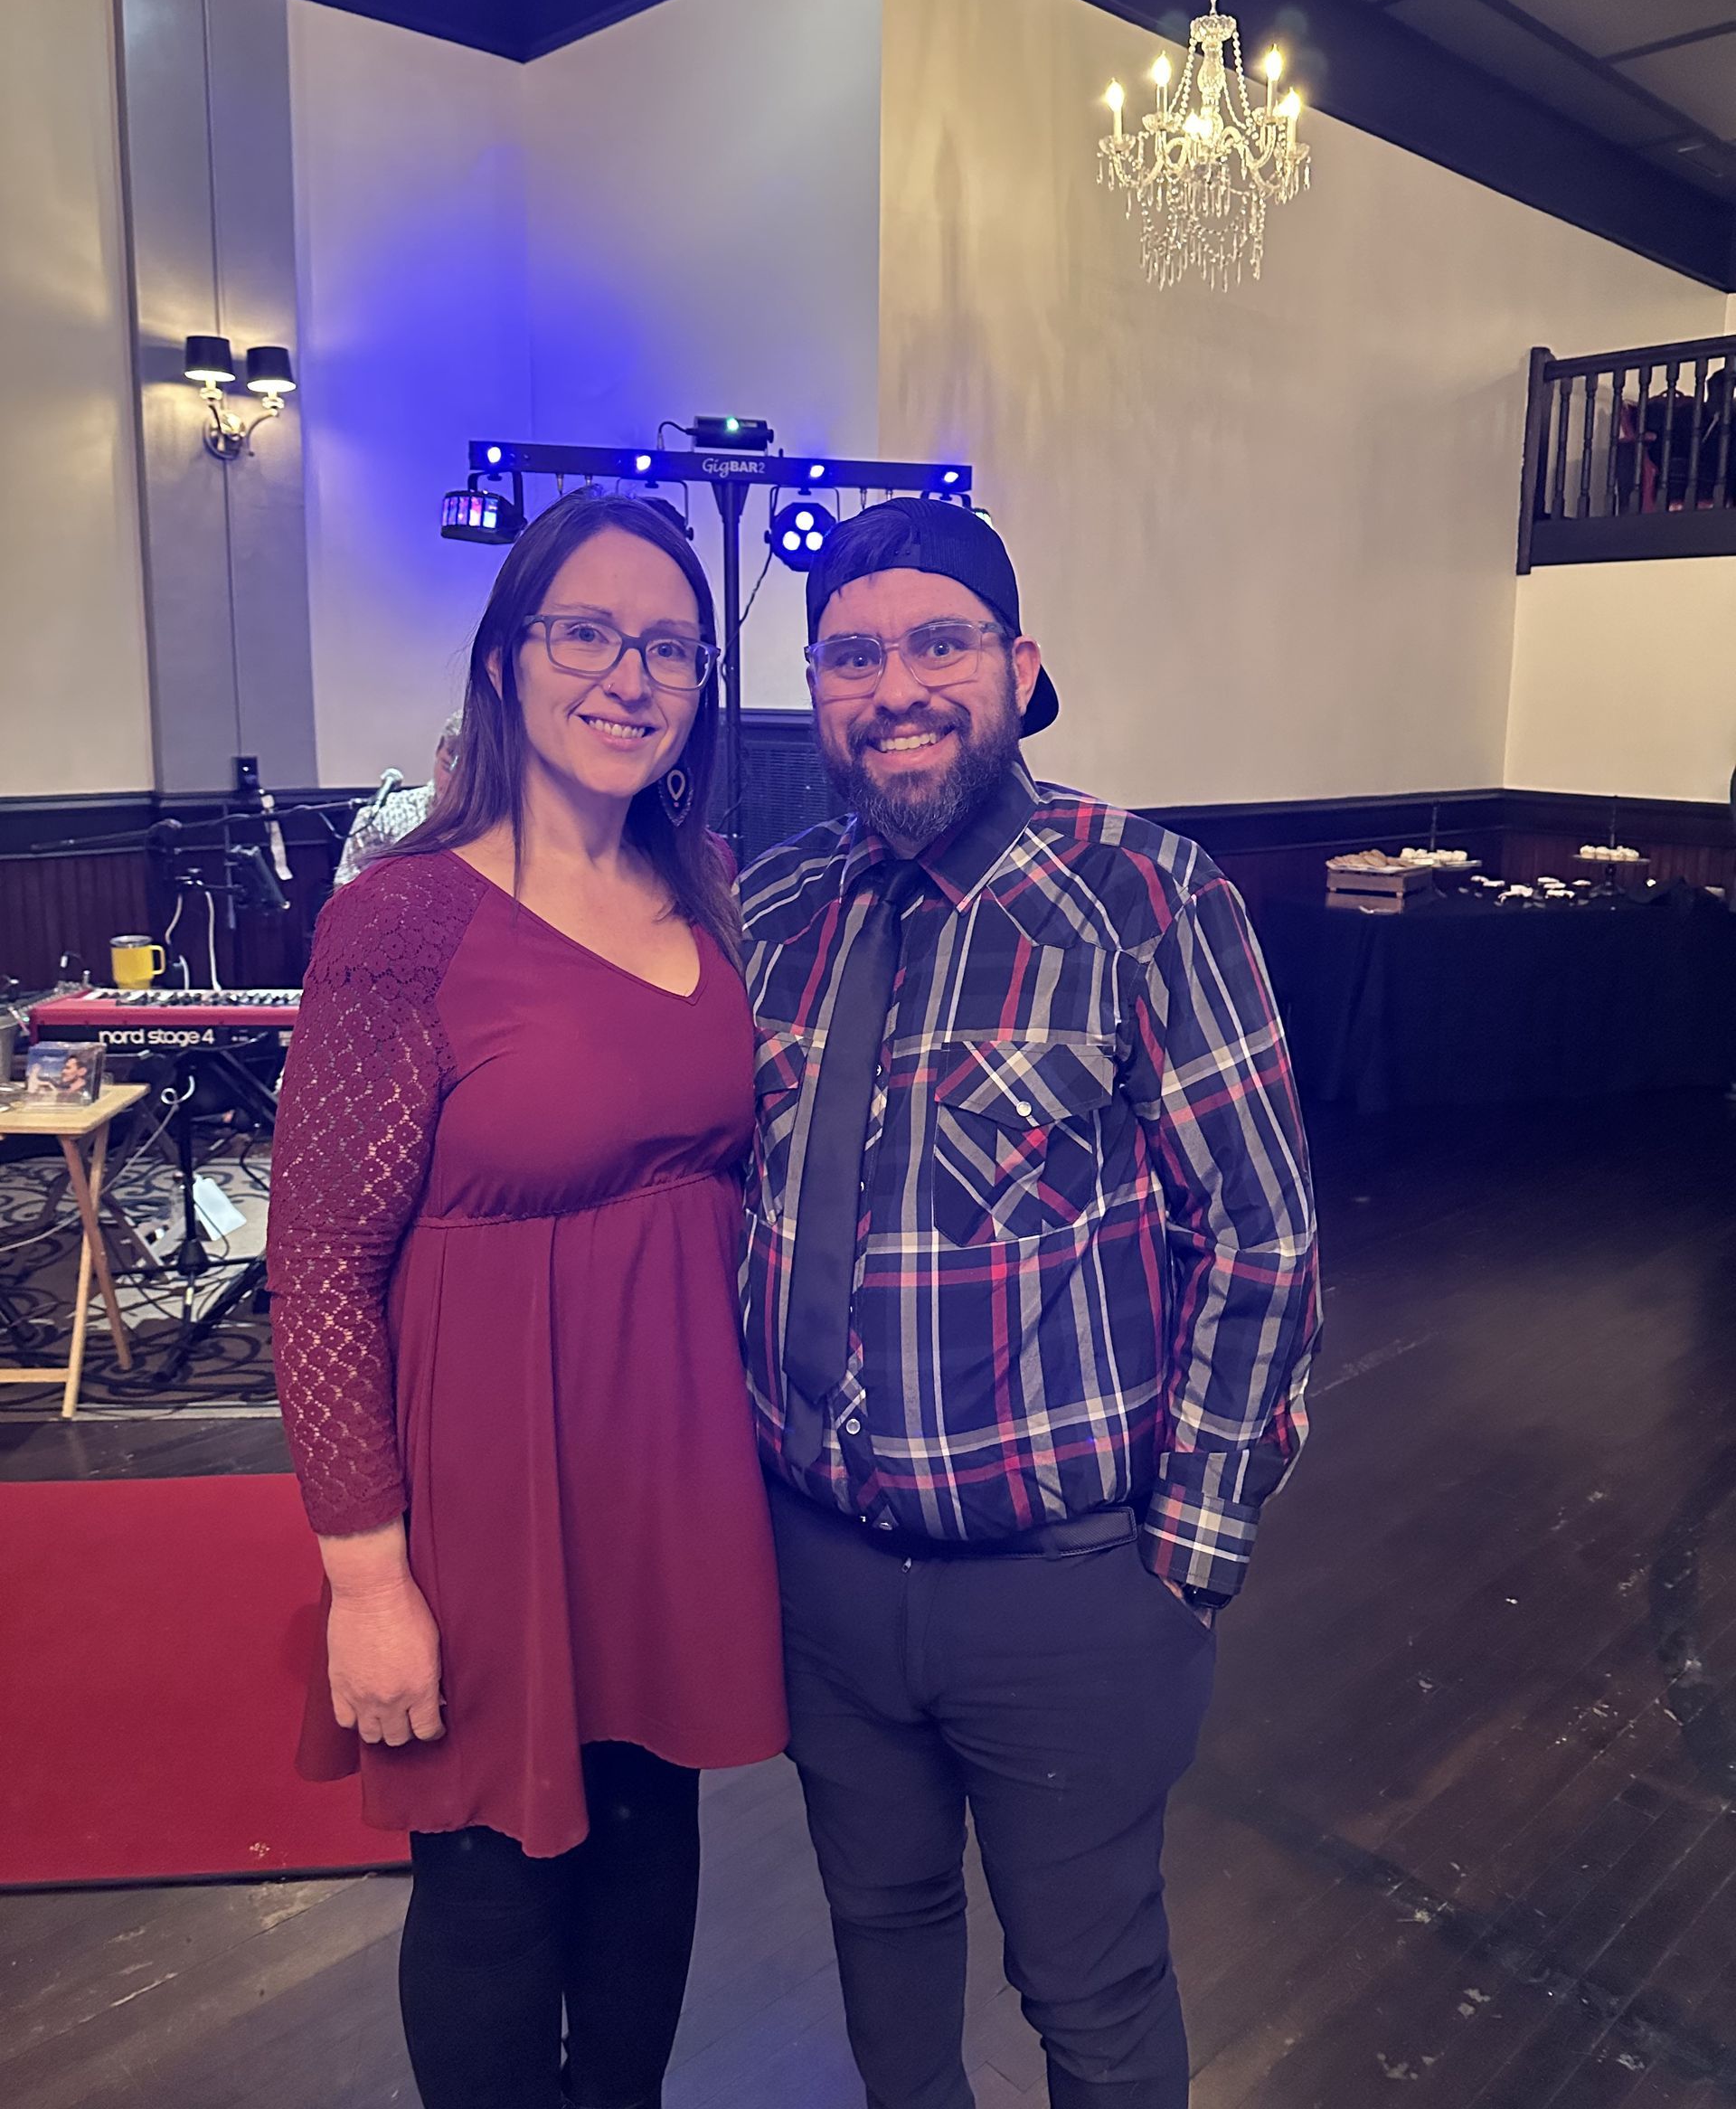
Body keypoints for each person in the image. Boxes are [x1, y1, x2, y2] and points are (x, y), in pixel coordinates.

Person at [738, 499, 1321, 2109]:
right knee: (880, 1934)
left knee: (1090, 1988)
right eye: (852, 654)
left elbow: (1261, 1234)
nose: (897, 685)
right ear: (817, 692)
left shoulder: (1148, 899)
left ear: (1021, 666)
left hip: (1064, 1597)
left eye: (940, 642)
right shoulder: (775, 914)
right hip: (827, 1579)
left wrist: (1184, 1557)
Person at [267, 493, 786, 2109]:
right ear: (504, 663)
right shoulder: (405, 917)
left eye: (672, 650)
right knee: (494, 1881)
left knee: (648, 1838)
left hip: (673, 1476)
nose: (631, 677)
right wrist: (367, 1583)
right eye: (587, 633)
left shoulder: (709, 881)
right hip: (488, 1489)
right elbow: (319, 1266)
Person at [333, 709, 464, 884]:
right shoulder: (385, 816)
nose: (452, 783)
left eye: (466, 776)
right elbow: (346, 893)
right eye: (447, 767)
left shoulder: (497, 823)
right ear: (438, 750)